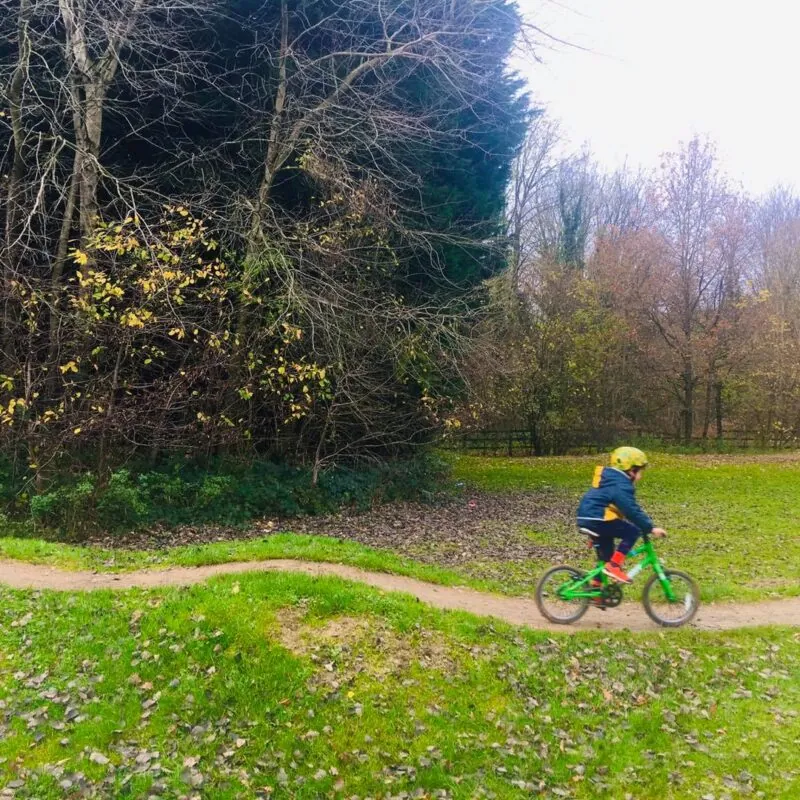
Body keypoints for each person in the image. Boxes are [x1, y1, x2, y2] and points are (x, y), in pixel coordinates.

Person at [576, 446, 666, 584]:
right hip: (599, 518)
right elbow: (631, 510)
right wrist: (650, 528)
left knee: (606, 558)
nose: (640, 476)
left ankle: (596, 588)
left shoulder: (610, 480)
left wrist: (594, 531)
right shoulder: (620, 484)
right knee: (632, 532)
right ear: (631, 471)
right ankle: (614, 566)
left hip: (589, 518)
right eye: (640, 472)